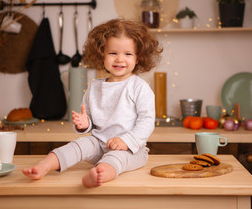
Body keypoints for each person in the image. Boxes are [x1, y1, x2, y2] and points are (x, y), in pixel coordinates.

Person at [22, 18, 163, 187]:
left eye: (127, 54)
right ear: (102, 54)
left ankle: (100, 173)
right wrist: (85, 124)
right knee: (79, 144)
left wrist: (126, 140)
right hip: (99, 143)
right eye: (113, 53)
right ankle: (45, 166)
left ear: (138, 58)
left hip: (132, 150)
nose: (119, 59)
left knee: (116, 157)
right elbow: (90, 120)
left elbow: (146, 122)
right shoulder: (95, 87)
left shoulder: (139, 87)